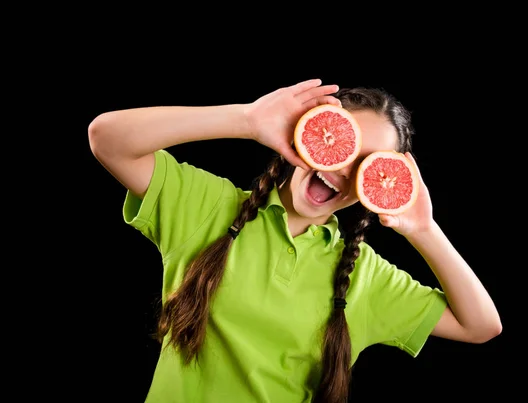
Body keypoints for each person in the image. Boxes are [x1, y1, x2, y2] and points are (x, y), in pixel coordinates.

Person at [88, 78, 502, 403]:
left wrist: (425, 229)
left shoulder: (365, 276)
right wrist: (246, 120)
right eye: (339, 145)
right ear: (307, 133)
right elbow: (107, 138)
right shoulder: (209, 208)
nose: (343, 171)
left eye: (366, 166)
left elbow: (481, 325)